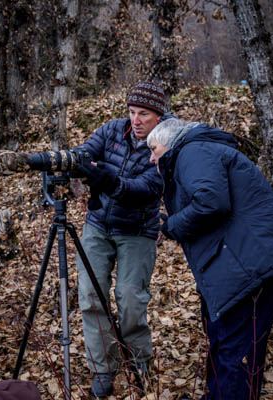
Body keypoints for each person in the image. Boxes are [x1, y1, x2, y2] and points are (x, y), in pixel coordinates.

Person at [147, 118, 273, 400]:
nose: (151, 158)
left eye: (153, 148)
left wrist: (171, 227)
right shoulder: (198, 152)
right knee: (227, 348)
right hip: (242, 265)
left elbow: (211, 202)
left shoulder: (191, 151)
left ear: (169, 141)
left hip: (247, 268)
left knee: (235, 356)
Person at [72, 82, 171, 397]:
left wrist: (109, 180)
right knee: (90, 296)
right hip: (98, 225)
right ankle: (103, 369)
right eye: (132, 111)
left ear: (159, 116)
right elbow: (84, 153)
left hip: (138, 230)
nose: (136, 120)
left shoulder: (167, 144)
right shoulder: (113, 129)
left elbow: (145, 189)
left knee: (130, 298)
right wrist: (76, 162)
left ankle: (140, 360)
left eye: (144, 113)